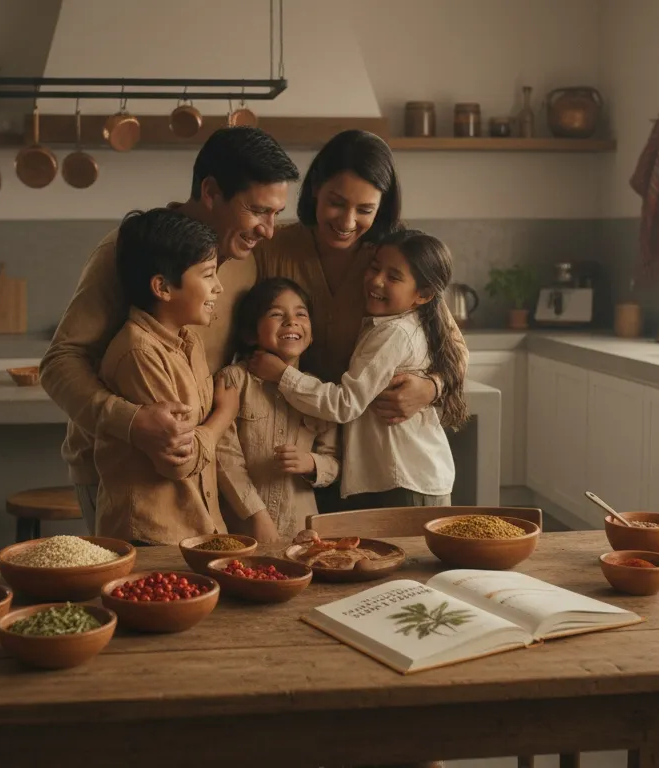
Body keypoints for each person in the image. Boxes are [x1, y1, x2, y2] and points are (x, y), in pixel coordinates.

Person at [41, 127, 299, 533]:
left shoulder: (246, 254)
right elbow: (60, 362)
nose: (268, 229)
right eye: (257, 210)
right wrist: (132, 421)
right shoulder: (129, 250)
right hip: (123, 478)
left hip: (199, 466)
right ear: (211, 191)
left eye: (276, 214)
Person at [253, 129, 466, 509]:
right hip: (295, 444)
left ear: (381, 208)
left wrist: (430, 388)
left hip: (375, 460)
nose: (348, 221)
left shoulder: (394, 255)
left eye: (365, 210)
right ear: (315, 188)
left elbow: (453, 347)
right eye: (336, 203)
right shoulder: (276, 247)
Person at [94, 209, 239, 545]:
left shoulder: (189, 340)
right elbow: (178, 461)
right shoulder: (139, 353)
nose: (218, 287)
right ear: (162, 287)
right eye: (207, 275)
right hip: (150, 537)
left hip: (192, 529)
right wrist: (224, 414)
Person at [216, 278, 339, 542]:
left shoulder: (319, 393)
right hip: (240, 530)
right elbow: (223, 457)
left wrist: (311, 463)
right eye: (276, 314)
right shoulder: (235, 381)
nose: (291, 322)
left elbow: (334, 461)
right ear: (251, 333)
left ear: (312, 332)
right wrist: (257, 515)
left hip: (302, 533)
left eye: (300, 314)